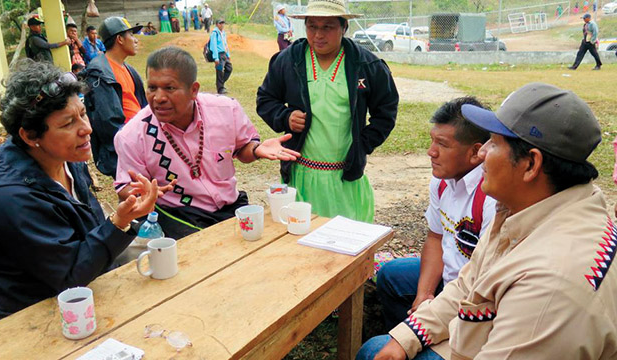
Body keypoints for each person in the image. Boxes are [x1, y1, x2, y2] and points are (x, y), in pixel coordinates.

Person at [357, 82, 617, 360]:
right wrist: (406, 338)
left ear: (531, 164)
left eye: (494, 143)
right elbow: (471, 282)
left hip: (491, 336)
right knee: (384, 344)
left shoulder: (551, 286)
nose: (481, 154)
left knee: (372, 349)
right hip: (488, 324)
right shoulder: (528, 210)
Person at [0, 60, 161, 329]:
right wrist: (118, 223)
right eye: (67, 123)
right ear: (30, 136)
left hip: (69, 292)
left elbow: (88, 231)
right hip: (17, 319)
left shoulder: (66, 157)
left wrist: (124, 212)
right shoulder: (11, 198)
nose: (86, 128)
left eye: (83, 113)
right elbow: (70, 276)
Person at [113, 46, 300, 239]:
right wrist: (140, 193)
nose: (158, 98)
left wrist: (256, 150)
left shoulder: (226, 109)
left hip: (231, 206)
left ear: (194, 90)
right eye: (152, 88)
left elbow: (243, 149)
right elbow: (125, 188)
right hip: (180, 216)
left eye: (169, 88)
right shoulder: (132, 135)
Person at [256, 0, 399, 223]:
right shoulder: (288, 61)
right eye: (312, 26)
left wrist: (362, 145)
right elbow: (265, 99)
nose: (318, 35)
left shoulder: (366, 65)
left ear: (344, 28)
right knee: (303, 240)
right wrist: (284, 117)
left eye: (328, 27)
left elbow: (386, 111)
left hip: (345, 177)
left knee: (347, 241)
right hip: (301, 175)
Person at [377, 97, 496, 332]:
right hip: (449, 278)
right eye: (432, 141)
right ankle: (402, 334)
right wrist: (424, 295)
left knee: (372, 351)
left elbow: (484, 283)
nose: (431, 152)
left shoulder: (490, 197)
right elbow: (435, 238)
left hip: (474, 296)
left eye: (442, 144)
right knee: (391, 275)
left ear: (476, 152)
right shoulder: (441, 183)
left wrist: (433, 315)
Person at [81, 17, 147, 178]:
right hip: (125, 149)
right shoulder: (100, 72)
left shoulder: (128, 68)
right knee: (134, 196)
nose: (136, 40)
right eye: (131, 35)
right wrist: (134, 145)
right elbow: (108, 122)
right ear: (120, 39)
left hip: (141, 140)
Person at [210, 19, 232, 95]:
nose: (222, 25)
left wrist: (228, 54)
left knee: (229, 68)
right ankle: (220, 89)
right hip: (219, 54)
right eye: (220, 23)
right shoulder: (214, 33)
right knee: (219, 71)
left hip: (224, 54)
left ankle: (220, 83)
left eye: (223, 23)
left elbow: (225, 44)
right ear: (217, 24)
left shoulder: (223, 33)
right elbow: (213, 46)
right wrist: (216, 58)